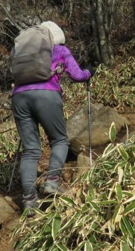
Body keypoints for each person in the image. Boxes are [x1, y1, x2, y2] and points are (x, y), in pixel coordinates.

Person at [11, 21, 92, 211]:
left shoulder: (24, 50)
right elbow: (78, 75)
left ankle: (30, 201)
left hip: (19, 97)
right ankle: (52, 180)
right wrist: (90, 72)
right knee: (60, 140)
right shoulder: (60, 50)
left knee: (31, 150)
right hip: (46, 95)